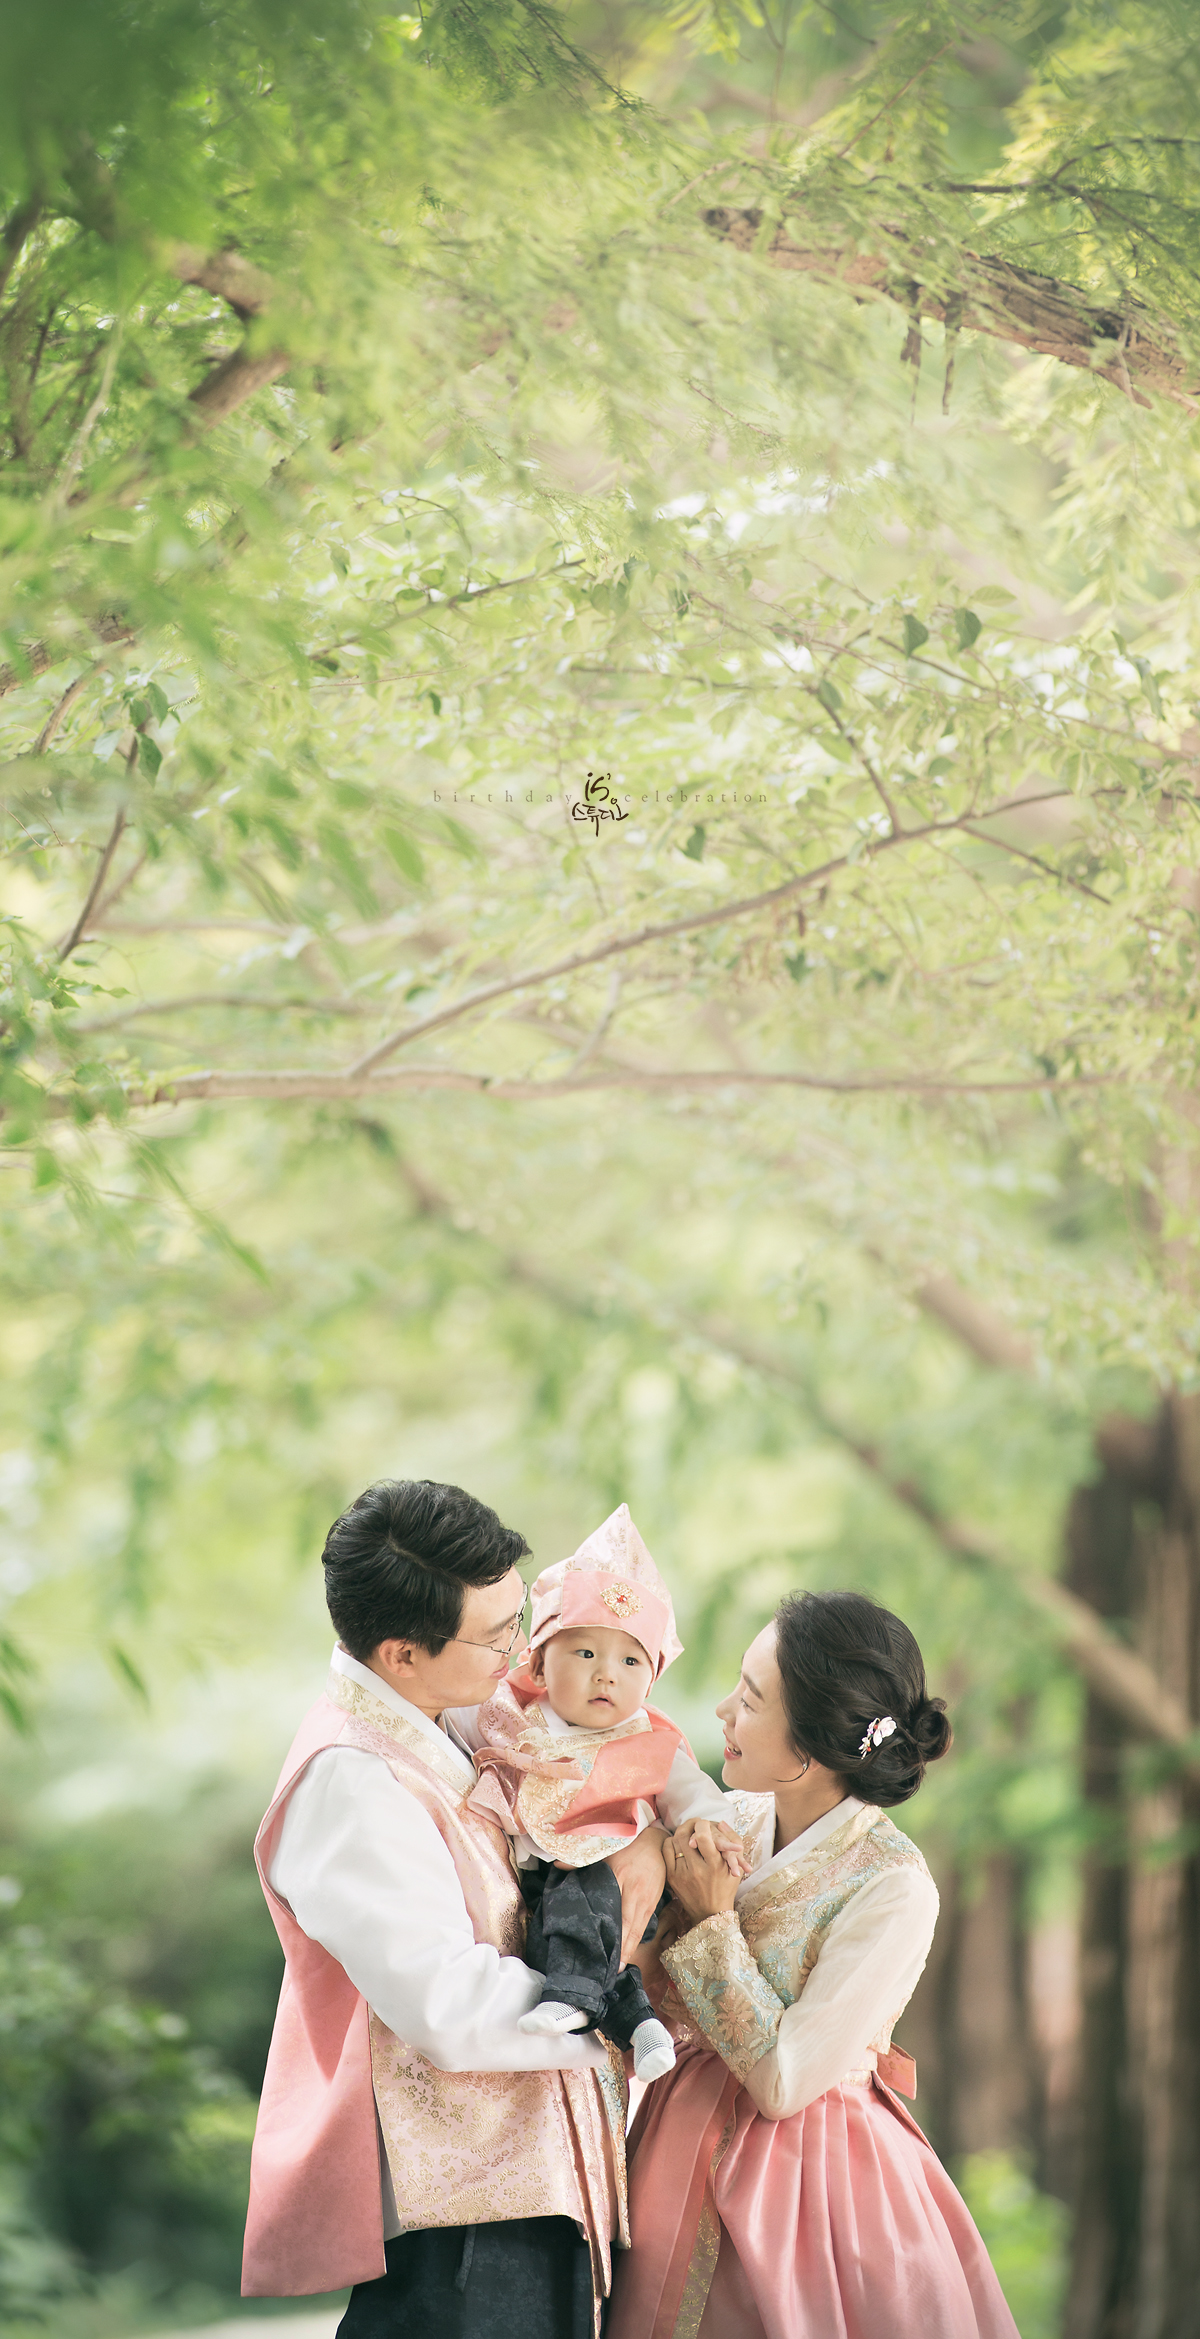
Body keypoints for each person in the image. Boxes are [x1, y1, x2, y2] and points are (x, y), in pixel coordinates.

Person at [241, 1478, 668, 2339]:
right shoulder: (353, 1780)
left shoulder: (445, 1717)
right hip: (465, 2219)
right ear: (402, 1652)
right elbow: (445, 2004)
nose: (519, 1651)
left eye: (519, 1619)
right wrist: (611, 2001)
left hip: (526, 2188)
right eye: (497, 1634)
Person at [608, 1589, 1022, 2339]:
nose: (723, 1712)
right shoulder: (725, 1822)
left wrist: (712, 1921)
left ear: (812, 1746)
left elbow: (785, 2081)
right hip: (670, 2140)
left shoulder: (892, 1886)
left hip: (809, 2181)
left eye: (750, 1700)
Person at [456, 1504, 747, 2086]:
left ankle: (572, 1998)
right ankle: (638, 2023)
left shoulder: (650, 1740)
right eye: (585, 1653)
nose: (606, 1673)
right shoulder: (510, 1716)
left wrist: (706, 1827)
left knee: (582, 1901)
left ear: (651, 1677)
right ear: (540, 1664)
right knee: (559, 1931)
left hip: (609, 1879)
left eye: (630, 1660)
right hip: (535, 1882)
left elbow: (697, 1797)